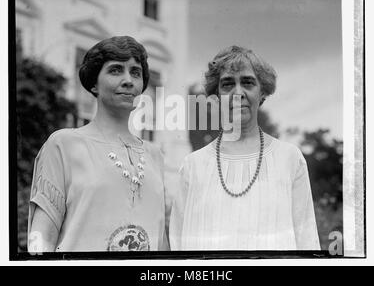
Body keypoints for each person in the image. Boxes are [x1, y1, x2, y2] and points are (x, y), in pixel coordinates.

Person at [170, 45, 320, 250]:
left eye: (248, 83)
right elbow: (178, 243)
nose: (237, 92)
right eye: (227, 84)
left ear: (262, 93)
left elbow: (307, 239)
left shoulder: (289, 158)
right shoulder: (193, 165)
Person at [28, 36, 170, 252]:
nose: (128, 80)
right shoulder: (64, 144)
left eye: (135, 72)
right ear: (94, 84)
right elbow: (41, 236)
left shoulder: (155, 155)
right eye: (115, 70)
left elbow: (162, 244)